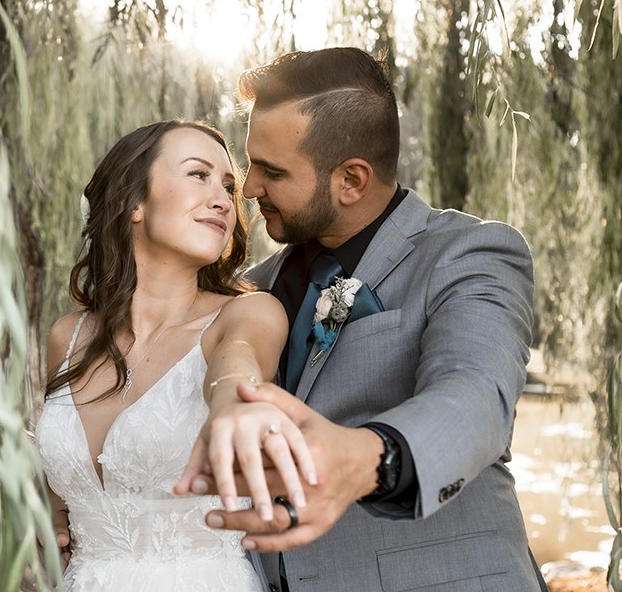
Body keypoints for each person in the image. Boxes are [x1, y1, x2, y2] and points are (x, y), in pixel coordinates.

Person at [174, 48, 547, 591]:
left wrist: (366, 460)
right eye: (251, 162)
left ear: (351, 179)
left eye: (272, 171)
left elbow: (475, 398)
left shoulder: (468, 253)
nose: (248, 187)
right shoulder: (250, 288)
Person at [33, 119, 317, 591]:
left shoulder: (248, 314)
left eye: (228, 185)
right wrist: (49, 524)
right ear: (133, 201)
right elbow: (66, 492)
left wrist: (231, 404)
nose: (224, 199)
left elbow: (238, 362)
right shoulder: (68, 336)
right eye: (198, 175)